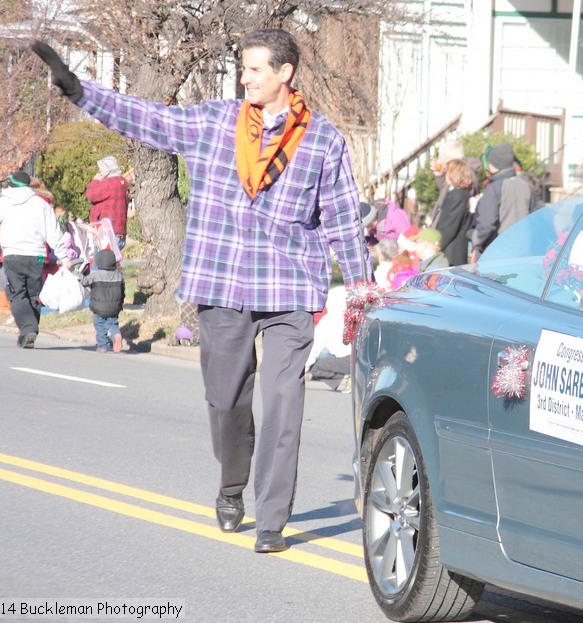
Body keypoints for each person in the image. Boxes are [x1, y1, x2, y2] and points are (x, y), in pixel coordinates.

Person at [32, 28, 373, 553]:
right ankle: (231, 484)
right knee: (225, 402)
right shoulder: (216, 121)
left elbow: (343, 221)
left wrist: (360, 291)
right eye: (243, 68)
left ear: (285, 73)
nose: (245, 77)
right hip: (222, 283)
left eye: (255, 69)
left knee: (285, 405)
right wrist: (81, 91)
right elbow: (149, 119)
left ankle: (272, 522)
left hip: (288, 288)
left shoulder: (323, 138)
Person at [0, 171, 72, 348]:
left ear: (11, 184)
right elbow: (53, 233)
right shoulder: (41, 204)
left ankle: (28, 328)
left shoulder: (5, 201)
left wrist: (0, 200)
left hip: (13, 255)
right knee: (33, 294)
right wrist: (63, 256)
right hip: (36, 255)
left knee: (17, 294)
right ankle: (29, 331)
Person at [470, 142, 540, 256]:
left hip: (499, 251)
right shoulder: (525, 185)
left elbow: (486, 224)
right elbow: (536, 215)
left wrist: (474, 237)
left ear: (493, 164)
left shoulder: (494, 188)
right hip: (523, 249)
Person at [81, 249, 125, 353]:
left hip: (98, 307)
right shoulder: (119, 276)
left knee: (100, 325)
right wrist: (120, 304)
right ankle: (116, 334)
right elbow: (123, 292)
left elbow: (84, 281)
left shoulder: (96, 275)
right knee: (113, 324)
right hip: (114, 308)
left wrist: (76, 273)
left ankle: (102, 346)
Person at [435, 159, 475, 265]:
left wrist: (436, 245)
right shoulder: (458, 194)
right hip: (451, 250)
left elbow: (450, 226)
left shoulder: (458, 196)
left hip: (451, 252)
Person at [86, 156, 131, 250]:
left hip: (108, 233)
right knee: (111, 263)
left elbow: (91, 194)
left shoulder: (109, 183)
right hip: (119, 231)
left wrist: (95, 180)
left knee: (100, 264)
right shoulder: (123, 182)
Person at [428, 139, 465, 227]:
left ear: (448, 158)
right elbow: (445, 191)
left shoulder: (462, 176)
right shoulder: (453, 173)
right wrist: (440, 176)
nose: (439, 162)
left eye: (441, 158)